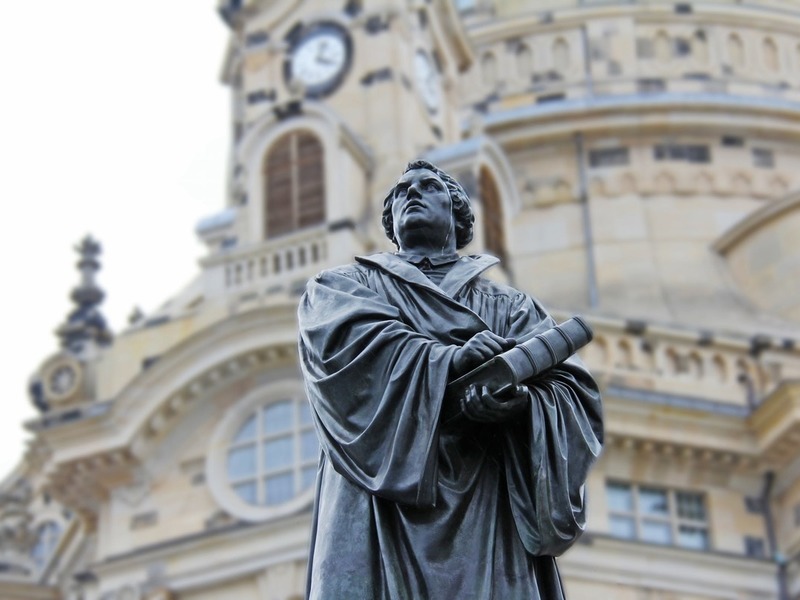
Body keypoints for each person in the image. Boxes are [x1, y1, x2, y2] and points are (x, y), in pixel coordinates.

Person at [298, 160, 603, 599]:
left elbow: (571, 391)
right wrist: (448, 360)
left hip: (485, 498)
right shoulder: (342, 287)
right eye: (401, 192)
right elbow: (344, 347)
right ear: (391, 221)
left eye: (428, 187)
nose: (412, 194)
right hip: (378, 501)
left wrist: (520, 405)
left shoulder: (511, 306)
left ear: (458, 213)